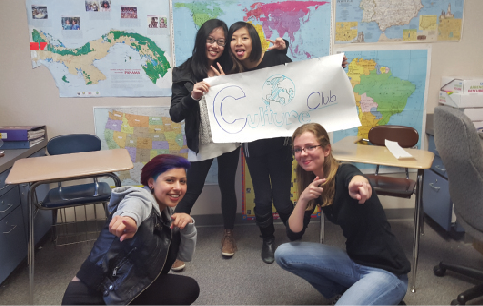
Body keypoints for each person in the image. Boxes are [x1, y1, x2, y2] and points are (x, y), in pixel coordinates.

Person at [274, 123, 410, 305]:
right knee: (282, 253)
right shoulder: (315, 184)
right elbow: (294, 233)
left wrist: (359, 183)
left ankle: (381, 294)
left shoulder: (344, 172)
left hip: (387, 271)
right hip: (354, 262)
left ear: (326, 149)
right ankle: (344, 292)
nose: (303, 153)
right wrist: (303, 199)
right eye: (298, 149)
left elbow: (354, 177)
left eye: (310, 147)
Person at [61, 154, 200, 305]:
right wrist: (129, 219)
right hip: (91, 294)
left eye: (183, 181)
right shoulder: (139, 198)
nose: (178, 187)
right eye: (170, 180)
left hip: (125, 288)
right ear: (151, 183)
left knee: (188, 287)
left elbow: (184, 257)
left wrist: (188, 226)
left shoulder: (166, 215)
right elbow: (132, 207)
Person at [170, 19, 240, 271]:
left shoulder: (232, 67)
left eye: (221, 42)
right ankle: (173, 243)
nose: (216, 46)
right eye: (211, 39)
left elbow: (246, 103)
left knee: (227, 186)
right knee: (191, 190)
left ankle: (229, 234)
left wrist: (228, 86)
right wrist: (193, 97)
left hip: (229, 139)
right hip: (202, 139)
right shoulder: (184, 72)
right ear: (202, 40)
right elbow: (175, 113)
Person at [227, 21, 294, 264]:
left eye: (243, 37)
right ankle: (267, 239)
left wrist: (333, 69)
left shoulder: (274, 58)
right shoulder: (231, 70)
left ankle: (295, 234)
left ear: (254, 40)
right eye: (233, 38)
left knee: (283, 200)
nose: (238, 43)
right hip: (253, 148)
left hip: (280, 145)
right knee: (263, 199)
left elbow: (303, 80)